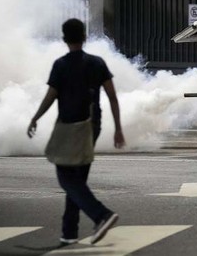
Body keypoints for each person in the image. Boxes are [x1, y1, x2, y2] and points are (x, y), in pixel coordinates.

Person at [27, 18, 125, 246]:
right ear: (84, 37)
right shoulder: (97, 63)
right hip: (92, 126)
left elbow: (51, 97)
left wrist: (35, 118)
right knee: (77, 178)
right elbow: (112, 96)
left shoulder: (60, 65)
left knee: (66, 176)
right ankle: (69, 232)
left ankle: (102, 215)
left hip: (70, 127)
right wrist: (118, 129)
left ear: (64, 38)